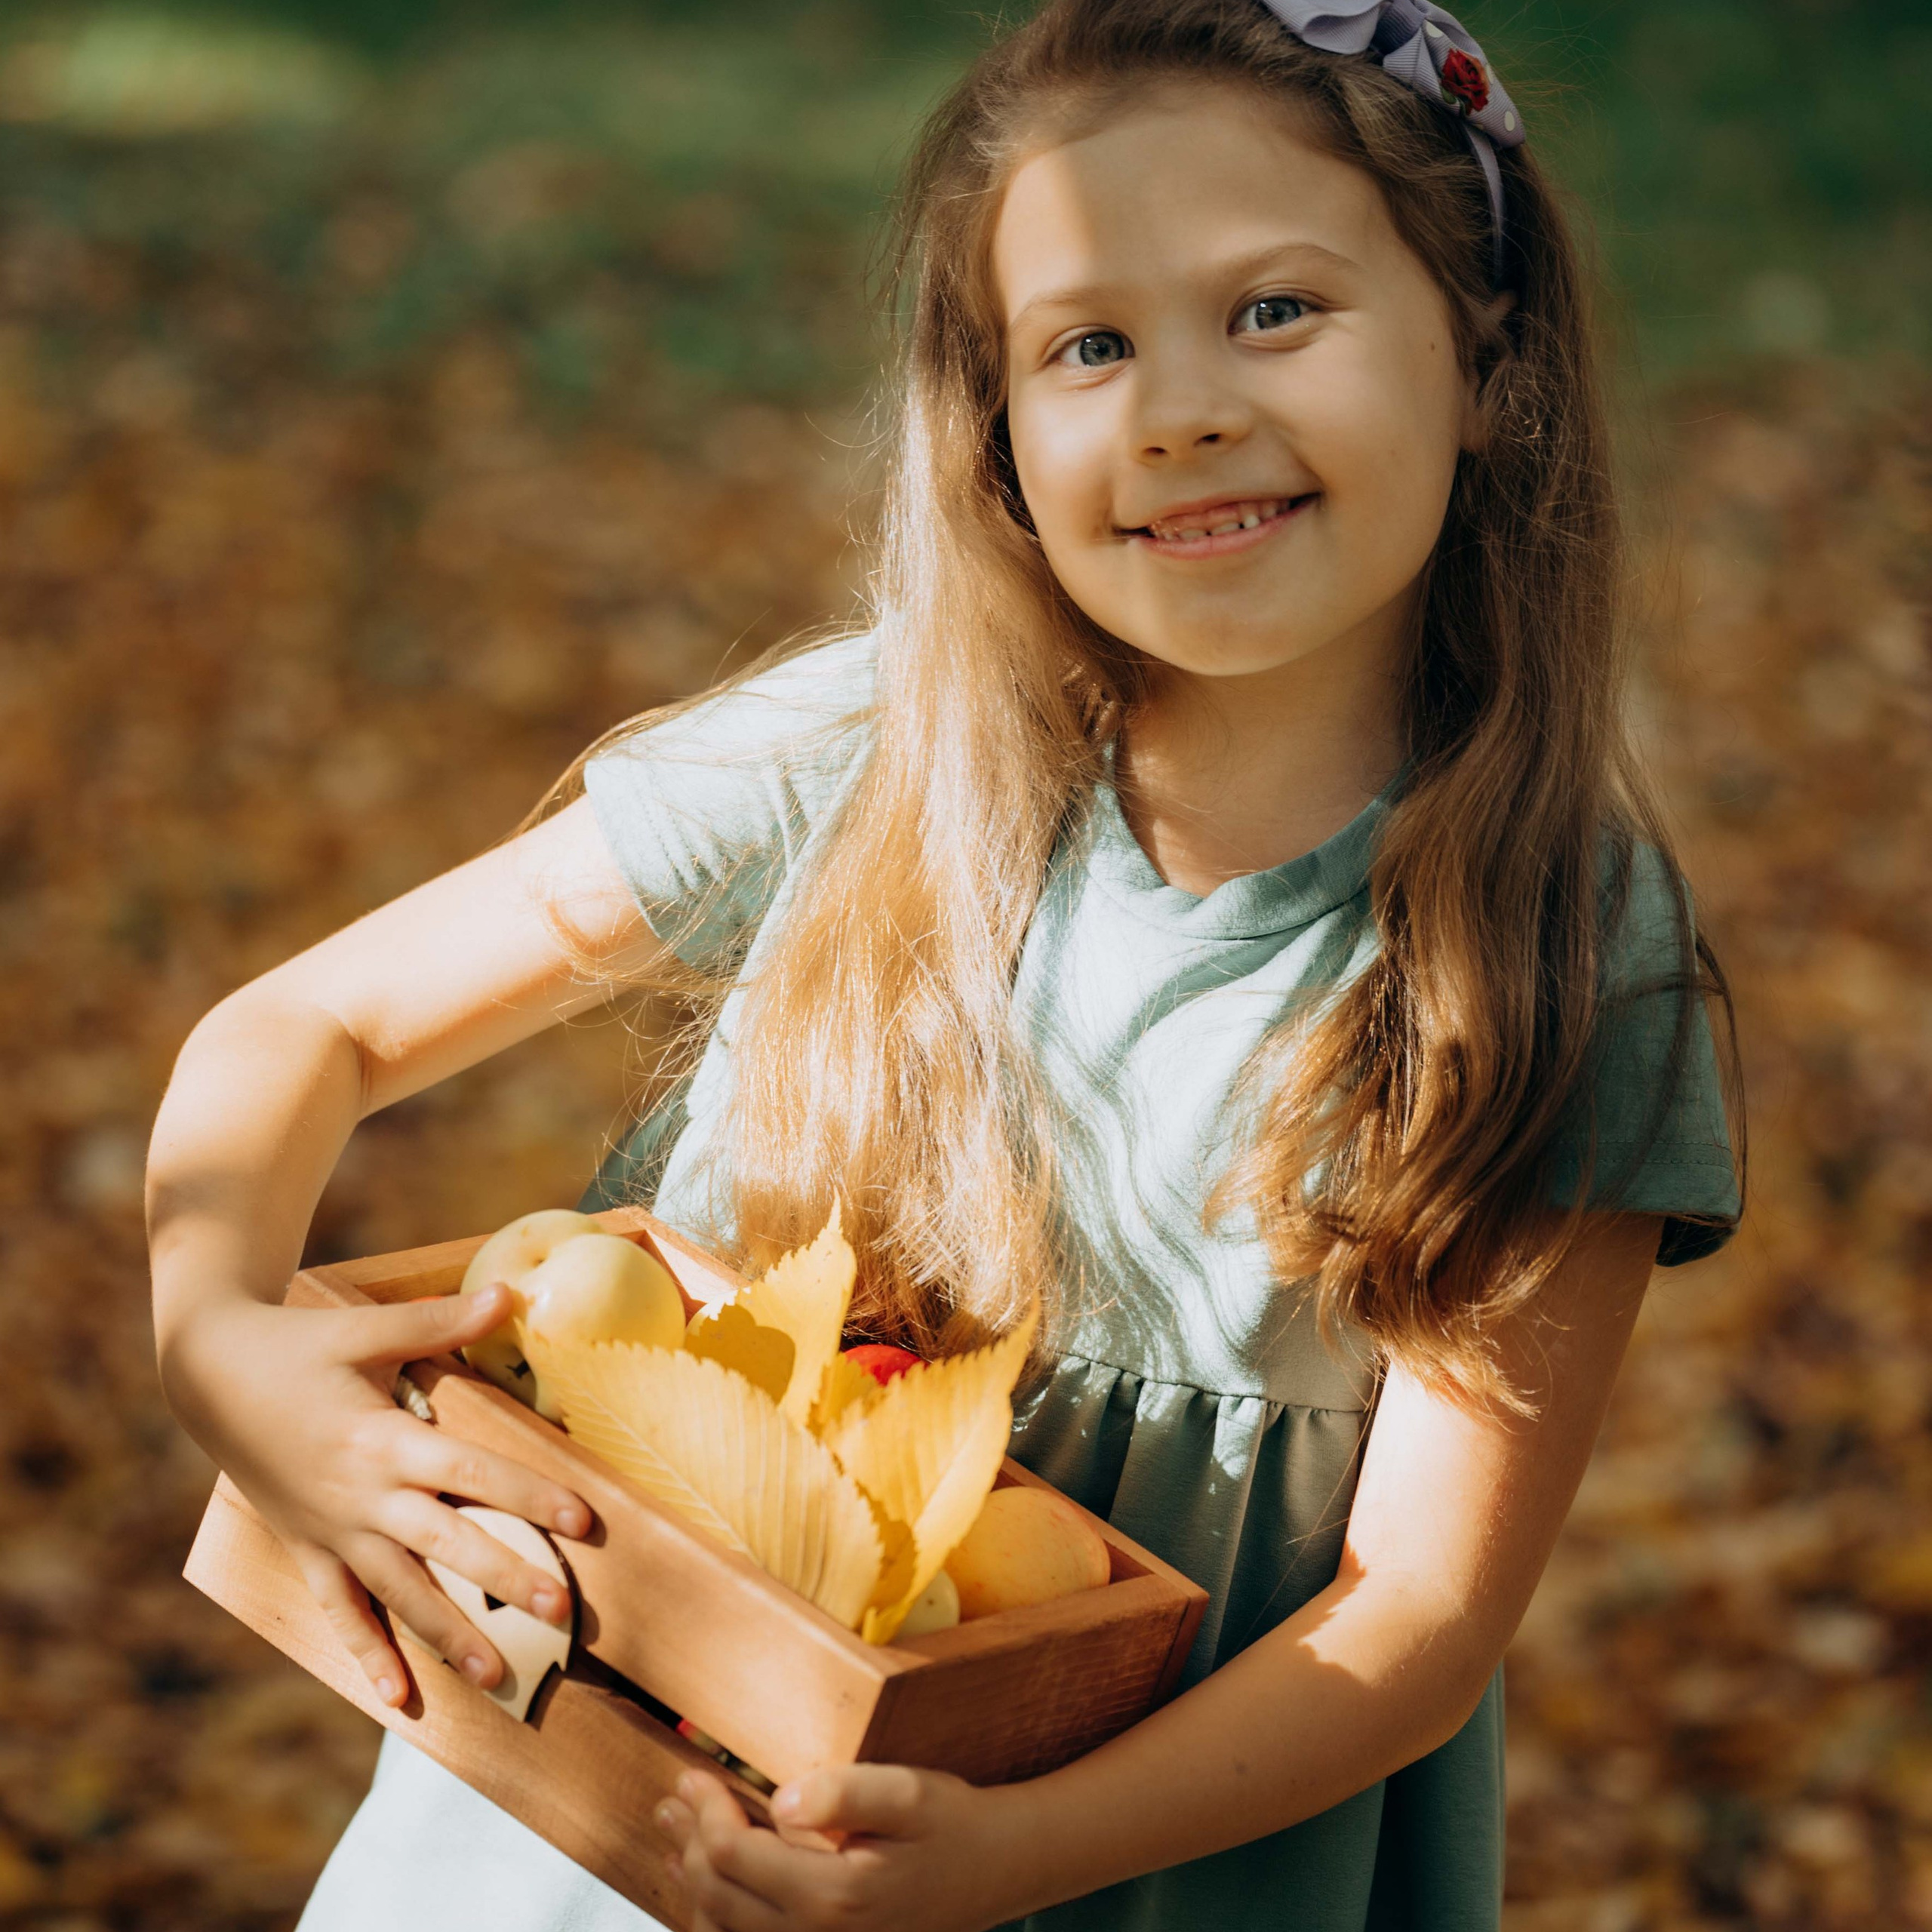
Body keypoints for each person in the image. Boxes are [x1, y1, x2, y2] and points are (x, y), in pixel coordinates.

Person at [146, 1, 1743, 1927]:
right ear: (991, 435)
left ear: (1491, 365)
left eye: (1273, 310)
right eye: (1087, 346)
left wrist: (1010, 1856)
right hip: (619, 1825)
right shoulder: (881, 757)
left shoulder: (1558, 948)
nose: (1179, 410)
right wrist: (223, 1338)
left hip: (1141, 1866)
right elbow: (302, 1024)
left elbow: (1412, 1613)